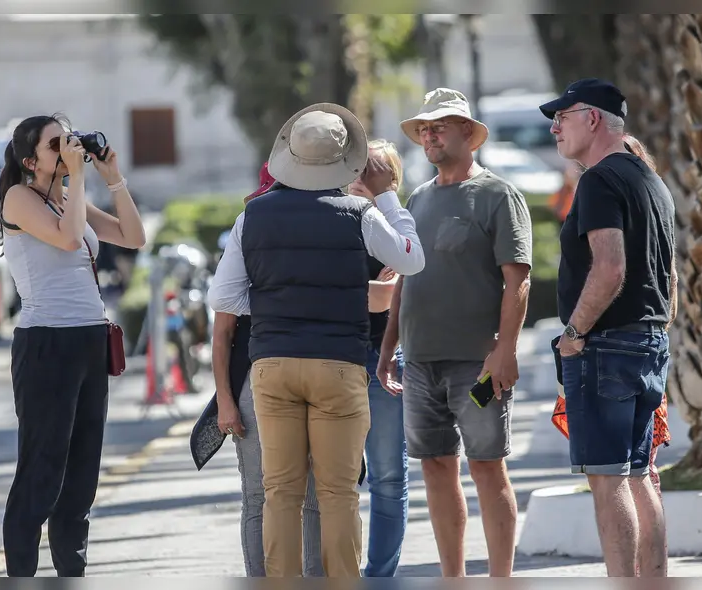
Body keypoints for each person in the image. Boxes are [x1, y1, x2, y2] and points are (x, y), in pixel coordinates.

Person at [207, 103, 426, 577]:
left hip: (272, 365)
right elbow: (411, 260)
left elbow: (223, 295)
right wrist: (387, 197)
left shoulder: (254, 216)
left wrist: (278, 300)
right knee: (338, 493)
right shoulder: (359, 213)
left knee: (279, 491)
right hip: (339, 365)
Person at [377, 87, 533, 578]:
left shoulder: (498, 196)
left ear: (469, 132)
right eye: (424, 128)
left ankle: (501, 580)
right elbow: (403, 279)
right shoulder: (418, 199)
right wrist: (388, 349)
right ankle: (453, 579)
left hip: (477, 367)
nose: (429, 134)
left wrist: (504, 353)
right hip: (420, 363)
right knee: (435, 467)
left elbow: (519, 280)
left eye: (439, 126)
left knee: (488, 467)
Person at [0, 114, 146, 576]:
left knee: (81, 478)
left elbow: (133, 237)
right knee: (42, 471)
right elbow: (64, 240)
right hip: (46, 345)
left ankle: (71, 573)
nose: (67, 148)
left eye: (70, 139)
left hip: (87, 342)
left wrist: (112, 177)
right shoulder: (19, 198)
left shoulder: (65, 195)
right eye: (55, 143)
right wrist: (77, 177)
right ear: (29, 159)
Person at [539, 78, 676, 577]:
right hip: (648, 341)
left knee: (608, 478)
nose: (554, 126)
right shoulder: (649, 179)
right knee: (640, 475)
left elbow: (611, 267)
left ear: (593, 118)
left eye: (563, 115)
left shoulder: (599, 180)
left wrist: (574, 335)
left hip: (605, 346)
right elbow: (670, 278)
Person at [213, 162, 325, 577]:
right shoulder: (247, 240)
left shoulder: (322, 238)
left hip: (312, 378)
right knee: (260, 495)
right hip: (253, 382)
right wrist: (225, 401)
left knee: (313, 495)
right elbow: (222, 332)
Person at [346, 139, 409, 577]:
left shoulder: (400, 228)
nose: (365, 177)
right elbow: (376, 298)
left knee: (387, 478)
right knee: (335, 482)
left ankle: (379, 577)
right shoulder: (338, 219)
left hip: (384, 358)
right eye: (360, 168)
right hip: (336, 360)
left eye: (377, 171)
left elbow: (401, 293)